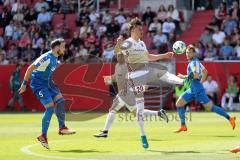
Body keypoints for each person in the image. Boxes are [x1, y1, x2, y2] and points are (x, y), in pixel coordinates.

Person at [108, 18, 185, 149]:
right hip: (130, 77)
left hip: (140, 77)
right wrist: (118, 45)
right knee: (137, 111)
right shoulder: (127, 43)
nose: (142, 31)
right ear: (132, 29)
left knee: (136, 109)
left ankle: (143, 136)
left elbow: (148, 57)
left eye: (142, 28)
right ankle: (153, 119)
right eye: (139, 29)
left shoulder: (142, 43)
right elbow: (118, 55)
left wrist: (164, 55)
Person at [94, 36, 169, 139]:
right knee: (137, 113)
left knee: (112, 109)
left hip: (126, 92)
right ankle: (158, 113)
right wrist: (110, 78)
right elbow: (118, 76)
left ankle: (105, 131)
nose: (118, 56)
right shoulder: (119, 65)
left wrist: (119, 43)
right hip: (127, 93)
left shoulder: (126, 64)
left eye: (120, 55)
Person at [18, 38, 76, 149]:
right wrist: (24, 84)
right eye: (63, 46)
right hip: (39, 85)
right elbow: (30, 68)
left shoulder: (55, 58)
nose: (65, 49)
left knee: (61, 100)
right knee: (50, 108)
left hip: (48, 83)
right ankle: (43, 135)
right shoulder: (46, 58)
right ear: (57, 47)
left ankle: (62, 127)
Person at [174, 44, 235, 133]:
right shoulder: (195, 62)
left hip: (198, 91)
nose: (187, 54)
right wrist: (201, 82)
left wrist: (184, 76)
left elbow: (196, 75)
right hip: (192, 89)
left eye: (190, 52)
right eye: (186, 52)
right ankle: (183, 125)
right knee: (179, 104)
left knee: (211, 108)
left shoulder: (194, 63)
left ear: (194, 53)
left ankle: (230, 118)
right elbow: (205, 72)